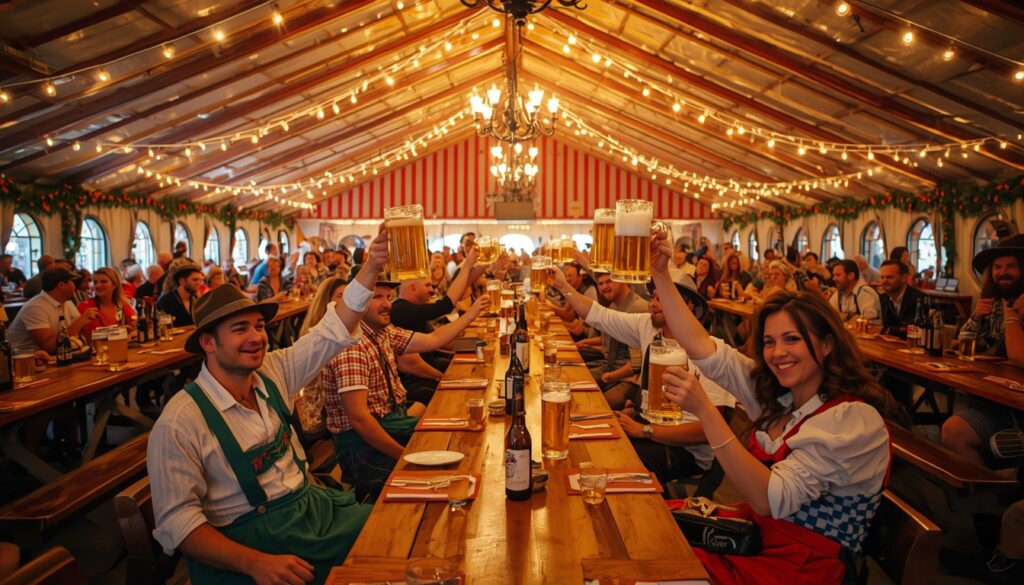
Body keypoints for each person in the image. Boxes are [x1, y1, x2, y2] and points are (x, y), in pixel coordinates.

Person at [648, 231, 895, 585]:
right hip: (756, 542)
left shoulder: (853, 420)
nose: (778, 353)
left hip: (804, 567)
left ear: (827, 344)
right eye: (769, 342)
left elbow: (768, 500)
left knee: (658, 569)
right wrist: (660, 273)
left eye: (792, 339)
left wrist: (706, 411)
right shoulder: (781, 396)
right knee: (649, 534)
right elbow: (700, 345)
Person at [148, 227, 389, 585]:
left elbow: (332, 330)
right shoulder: (180, 422)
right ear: (208, 343)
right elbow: (178, 524)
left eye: (259, 326)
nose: (256, 337)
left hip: (311, 512)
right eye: (239, 329)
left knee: (396, 527)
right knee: (382, 560)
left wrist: (371, 268)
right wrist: (255, 563)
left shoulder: (273, 371)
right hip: (253, 545)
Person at [550, 267, 735, 484]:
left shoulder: (710, 351)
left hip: (685, 451)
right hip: (648, 427)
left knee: (606, 458)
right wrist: (563, 286)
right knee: (585, 439)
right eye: (653, 297)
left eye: (661, 298)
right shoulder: (649, 326)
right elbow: (598, 315)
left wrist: (645, 430)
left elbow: (708, 431)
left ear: (688, 305)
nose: (653, 304)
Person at [321, 275, 490, 502]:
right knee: (437, 477)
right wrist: (404, 456)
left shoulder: (382, 332)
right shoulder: (351, 346)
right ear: (356, 301)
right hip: (362, 449)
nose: (387, 304)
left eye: (388, 297)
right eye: (377, 297)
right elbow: (360, 420)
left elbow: (434, 339)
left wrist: (471, 313)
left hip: (391, 426)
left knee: (455, 446)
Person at [941, 234, 1023, 467]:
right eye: (997, 267)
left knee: (954, 431)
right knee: (952, 431)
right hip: (997, 397)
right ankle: (988, 485)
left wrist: (1011, 315)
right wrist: (976, 316)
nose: (1002, 273)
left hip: (1017, 405)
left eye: (1010, 266)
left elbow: (1018, 357)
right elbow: (961, 342)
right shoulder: (995, 301)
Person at [390, 248, 482, 404]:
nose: (432, 290)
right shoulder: (401, 309)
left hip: (428, 366)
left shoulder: (411, 308)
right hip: (414, 380)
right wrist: (443, 377)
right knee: (460, 383)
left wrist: (482, 265)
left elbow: (436, 338)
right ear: (413, 288)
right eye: (427, 285)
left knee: (471, 368)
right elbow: (446, 306)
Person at [588, 269, 649, 409]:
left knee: (599, 405)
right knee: (577, 378)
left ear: (622, 279)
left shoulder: (638, 308)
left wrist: (611, 375)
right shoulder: (613, 305)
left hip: (632, 378)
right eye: (600, 283)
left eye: (609, 281)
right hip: (612, 367)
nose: (604, 287)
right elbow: (607, 344)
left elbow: (637, 364)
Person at [7, 267, 97, 355]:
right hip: (26, 359)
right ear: (61, 285)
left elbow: (78, 332)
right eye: (73, 281)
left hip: (57, 357)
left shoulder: (66, 302)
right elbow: (49, 346)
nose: (75, 285)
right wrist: (81, 321)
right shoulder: (35, 307)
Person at [77, 267, 137, 338]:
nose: (98, 285)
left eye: (103, 282)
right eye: (95, 282)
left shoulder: (121, 303)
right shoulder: (85, 306)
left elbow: (135, 325)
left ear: (114, 285)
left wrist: (129, 329)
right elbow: (70, 335)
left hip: (119, 344)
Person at [878, 260, 925, 338]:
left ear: (904, 278)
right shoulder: (883, 298)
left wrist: (890, 330)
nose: (884, 281)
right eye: (882, 277)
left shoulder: (918, 299)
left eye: (889, 277)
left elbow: (914, 330)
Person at [829, 259, 881, 324]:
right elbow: (829, 314)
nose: (834, 278)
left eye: (838, 275)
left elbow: (870, 319)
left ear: (851, 276)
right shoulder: (838, 293)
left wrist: (846, 316)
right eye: (834, 275)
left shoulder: (865, 292)